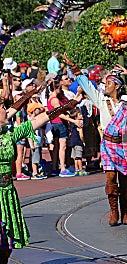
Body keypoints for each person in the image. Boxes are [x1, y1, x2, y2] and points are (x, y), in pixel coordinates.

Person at [62, 53, 127, 226]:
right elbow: (87, 86)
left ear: (116, 86)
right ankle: (113, 211)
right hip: (108, 144)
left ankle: (125, 212)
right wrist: (75, 68)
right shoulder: (101, 100)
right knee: (110, 179)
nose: (105, 86)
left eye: (108, 83)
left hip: (124, 144)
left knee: (124, 180)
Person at [0, 85, 80, 263]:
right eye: (2, 108)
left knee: (7, 244)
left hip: (7, 192)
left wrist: (68, 106)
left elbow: (41, 119)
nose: (6, 111)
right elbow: (13, 109)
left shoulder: (9, 135)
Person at [27, 98, 47, 180]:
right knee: (35, 159)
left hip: (38, 142)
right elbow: (29, 133)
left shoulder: (37, 119)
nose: (40, 110)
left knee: (38, 157)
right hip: (34, 142)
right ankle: (35, 173)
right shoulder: (31, 120)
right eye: (37, 109)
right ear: (33, 110)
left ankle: (37, 171)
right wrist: (31, 144)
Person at [68, 108, 88, 176]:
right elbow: (81, 134)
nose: (81, 115)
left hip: (73, 141)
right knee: (79, 157)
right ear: (76, 117)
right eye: (79, 114)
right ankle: (80, 169)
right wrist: (83, 141)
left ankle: (76, 169)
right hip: (78, 141)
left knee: (75, 157)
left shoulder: (72, 124)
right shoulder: (79, 123)